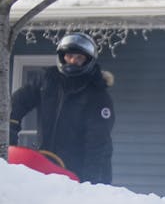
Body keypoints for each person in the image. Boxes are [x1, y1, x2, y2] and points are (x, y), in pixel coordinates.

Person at [7, 32, 115, 184]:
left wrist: (89, 183)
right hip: (47, 165)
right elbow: (17, 102)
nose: (72, 61)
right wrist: (10, 130)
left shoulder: (97, 95)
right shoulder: (47, 80)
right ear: (61, 56)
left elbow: (97, 142)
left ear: (88, 61)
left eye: (79, 58)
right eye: (69, 56)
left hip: (84, 173)